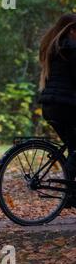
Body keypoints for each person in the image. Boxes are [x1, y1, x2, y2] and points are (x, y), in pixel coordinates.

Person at [39, 13, 76, 181]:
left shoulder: (54, 48)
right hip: (64, 107)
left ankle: (71, 194)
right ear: (71, 31)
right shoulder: (70, 49)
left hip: (50, 106)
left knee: (73, 148)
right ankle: (69, 190)